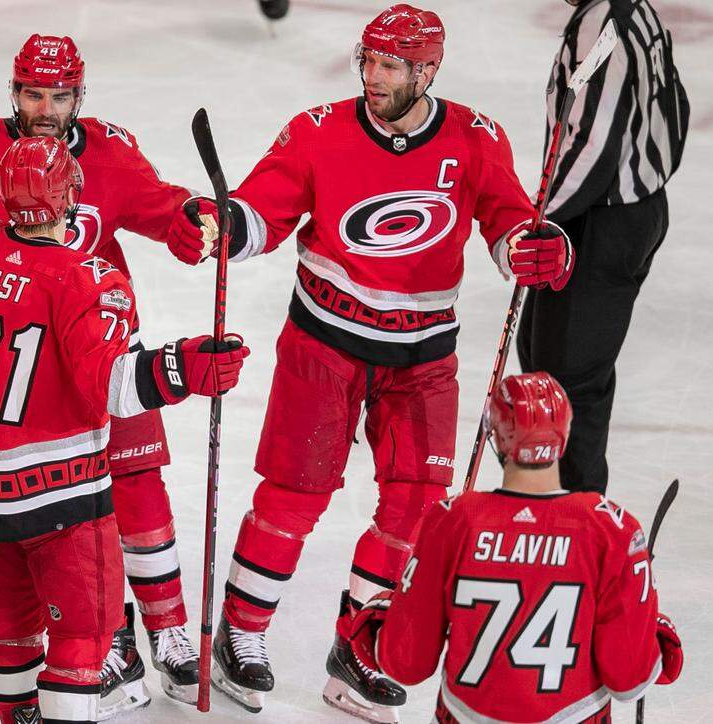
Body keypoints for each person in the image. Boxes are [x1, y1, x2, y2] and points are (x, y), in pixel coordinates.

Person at [165, 4, 576, 720]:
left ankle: (359, 648)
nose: (372, 77)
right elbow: (262, 211)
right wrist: (225, 227)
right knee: (295, 494)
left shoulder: (475, 139)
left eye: (390, 66)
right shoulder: (318, 131)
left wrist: (533, 248)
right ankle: (241, 634)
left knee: (416, 506)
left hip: (423, 355)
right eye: (369, 61)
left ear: (427, 70)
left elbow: (508, 222)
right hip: (325, 343)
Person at [0, 34, 205, 711]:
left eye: (59, 95)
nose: (46, 108)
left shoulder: (107, 149)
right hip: (26, 388)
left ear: (79, 95)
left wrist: (198, 221)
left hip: (106, 344)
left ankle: (169, 632)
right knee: (77, 516)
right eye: (33, 94)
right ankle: (110, 641)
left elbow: (164, 209)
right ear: (13, 91)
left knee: (136, 483)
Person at [0, 135, 248, 724]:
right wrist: (187, 365)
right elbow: (116, 387)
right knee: (82, 640)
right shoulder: (86, 278)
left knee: (7, 634)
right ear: (72, 199)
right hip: (61, 497)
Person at [349, 372, 684, 723]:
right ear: (564, 436)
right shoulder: (610, 528)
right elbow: (630, 681)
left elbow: (406, 663)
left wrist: (380, 617)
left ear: (495, 436)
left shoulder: (454, 519)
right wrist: (652, 631)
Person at [517, 0, 688, 493]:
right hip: (631, 211)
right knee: (543, 354)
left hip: (599, 219)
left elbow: (594, 145)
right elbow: (675, 108)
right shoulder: (637, 10)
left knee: (568, 383)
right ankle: (562, 499)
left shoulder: (604, 22)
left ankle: (579, 518)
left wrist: (540, 219)